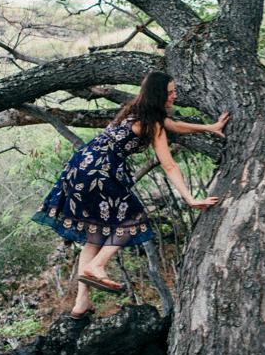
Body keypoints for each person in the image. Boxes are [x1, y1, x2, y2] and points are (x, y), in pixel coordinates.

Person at [31, 70, 228, 318]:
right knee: (132, 221)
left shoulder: (135, 110)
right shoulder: (151, 122)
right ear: (158, 95)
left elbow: (174, 125)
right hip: (102, 171)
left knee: (95, 235)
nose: (174, 95)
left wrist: (210, 127)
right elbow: (169, 164)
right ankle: (98, 266)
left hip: (80, 167)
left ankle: (81, 303)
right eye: (170, 93)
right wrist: (189, 198)